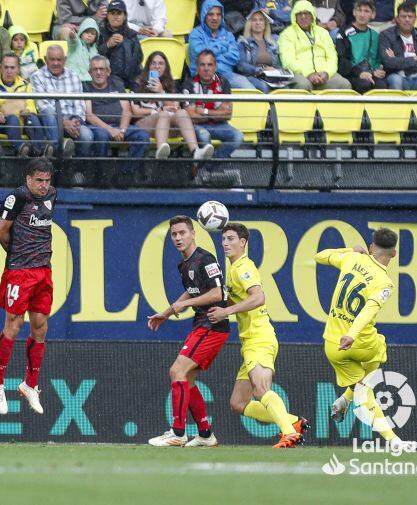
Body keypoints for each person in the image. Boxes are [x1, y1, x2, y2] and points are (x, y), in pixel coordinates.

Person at [316, 228, 417, 451]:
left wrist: (350, 249)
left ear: (371, 246)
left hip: (333, 344)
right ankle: (394, 441)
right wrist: (353, 335)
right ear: (394, 254)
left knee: (366, 381)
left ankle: (345, 398)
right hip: (360, 342)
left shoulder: (353, 257)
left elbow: (321, 256)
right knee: (377, 354)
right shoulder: (384, 282)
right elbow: (369, 309)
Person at [207, 223, 310, 448]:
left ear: (243, 242)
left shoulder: (244, 267)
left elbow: (258, 297)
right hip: (251, 341)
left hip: (259, 338)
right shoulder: (233, 269)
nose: (225, 243)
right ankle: (293, 422)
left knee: (262, 390)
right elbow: (243, 300)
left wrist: (225, 311)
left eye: (231, 238)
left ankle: (288, 433)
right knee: (238, 402)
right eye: (223, 239)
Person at [147, 215, 229, 447]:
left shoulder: (205, 259)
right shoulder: (184, 264)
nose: (178, 238)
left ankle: (178, 432)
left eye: (182, 233)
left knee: (177, 371)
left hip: (213, 325)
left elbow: (217, 294)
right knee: (188, 379)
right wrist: (167, 312)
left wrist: (185, 305)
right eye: (174, 234)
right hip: (202, 324)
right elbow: (192, 292)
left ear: (193, 233)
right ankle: (205, 435)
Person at [0, 159, 57, 416]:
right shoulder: (16, 198)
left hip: (44, 271)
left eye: (46, 180)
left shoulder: (52, 195)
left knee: (40, 327)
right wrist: (18, 253)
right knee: (13, 326)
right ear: (28, 179)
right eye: (38, 180)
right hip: (20, 271)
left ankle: (30, 384)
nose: (43, 185)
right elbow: (1, 231)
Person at [133, 51, 214, 161]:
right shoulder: (138, 83)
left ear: (165, 67)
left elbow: (174, 108)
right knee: (164, 114)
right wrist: (158, 110)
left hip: (168, 127)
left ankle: (195, 151)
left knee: (181, 113)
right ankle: (160, 149)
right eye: (153, 63)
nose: (157, 66)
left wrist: (161, 92)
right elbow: (135, 111)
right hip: (144, 125)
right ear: (148, 66)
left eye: (161, 64)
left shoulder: (172, 84)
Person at [31, 45, 92, 158]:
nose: (56, 63)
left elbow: (79, 104)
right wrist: (63, 122)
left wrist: (75, 120)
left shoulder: (73, 75)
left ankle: (77, 171)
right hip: (50, 122)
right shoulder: (37, 76)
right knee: (48, 111)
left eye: (59, 59)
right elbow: (42, 104)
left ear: (65, 60)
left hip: (72, 122)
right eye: (52, 59)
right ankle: (57, 150)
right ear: (45, 60)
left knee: (87, 135)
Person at [83, 55, 151, 158]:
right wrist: (110, 130)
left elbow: (127, 110)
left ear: (108, 71)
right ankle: (101, 172)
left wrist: (122, 130)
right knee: (101, 136)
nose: (98, 72)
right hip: (98, 127)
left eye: (101, 69)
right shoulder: (86, 87)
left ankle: (127, 172)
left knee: (143, 136)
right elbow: (89, 115)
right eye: (94, 69)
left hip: (120, 126)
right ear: (89, 73)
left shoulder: (116, 83)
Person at [182, 50, 243, 159]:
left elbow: (227, 115)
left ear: (215, 66)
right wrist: (217, 113)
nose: (206, 68)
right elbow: (191, 116)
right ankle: (204, 171)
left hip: (220, 126)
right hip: (197, 126)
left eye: (210, 65)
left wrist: (204, 111)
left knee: (238, 136)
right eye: (202, 65)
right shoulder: (188, 84)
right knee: (204, 136)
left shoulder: (223, 83)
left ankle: (207, 168)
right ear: (197, 66)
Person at [278, 0, 351, 90]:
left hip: (323, 74)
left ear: (312, 16)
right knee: (303, 85)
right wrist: (309, 73)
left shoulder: (323, 33)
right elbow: (288, 61)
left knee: (344, 84)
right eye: (299, 14)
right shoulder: (286, 34)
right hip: (299, 73)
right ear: (294, 16)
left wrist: (326, 73)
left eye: (307, 13)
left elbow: (332, 57)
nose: (303, 17)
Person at [0, 53, 47, 157]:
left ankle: (39, 151)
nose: (9, 71)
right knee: (12, 118)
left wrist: (28, 110)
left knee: (32, 117)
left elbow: (31, 103)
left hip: (23, 122)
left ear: (18, 69)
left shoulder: (25, 84)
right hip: (1, 122)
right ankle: (21, 148)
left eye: (12, 67)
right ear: (0, 67)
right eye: (6, 67)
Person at [188, 0, 254, 90]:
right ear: (204, 15)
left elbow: (234, 56)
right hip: (202, 76)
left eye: (218, 14)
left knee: (249, 88)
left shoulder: (228, 35)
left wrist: (213, 54)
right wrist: (222, 49)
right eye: (211, 14)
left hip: (227, 76)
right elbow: (203, 56)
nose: (215, 18)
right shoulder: (196, 34)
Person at [336, 0, 386, 93]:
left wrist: (377, 70)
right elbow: (341, 61)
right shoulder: (344, 32)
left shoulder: (375, 35)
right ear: (354, 12)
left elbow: (378, 60)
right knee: (364, 84)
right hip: (351, 74)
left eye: (366, 11)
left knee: (381, 86)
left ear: (373, 14)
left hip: (370, 74)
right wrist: (359, 73)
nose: (362, 15)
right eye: (359, 10)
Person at [236, 9, 285, 93]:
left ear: (265, 24)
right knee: (263, 86)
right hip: (252, 76)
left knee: (285, 88)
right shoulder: (243, 42)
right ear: (250, 24)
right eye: (254, 20)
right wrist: (260, 70)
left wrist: (276, 71)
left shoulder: (273, 42)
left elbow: (279, 64)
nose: (258, 23)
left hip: (271, 76)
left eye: (261, 20)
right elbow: (241, 65)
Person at [96, 0, 142, 89]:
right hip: (106, 77)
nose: (115, 16)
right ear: (107, 16)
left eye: (119, 13)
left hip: (130, 76)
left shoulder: (132, 35)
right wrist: (107, 45)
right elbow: (93, 56)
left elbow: (138, 58)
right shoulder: (100, 33)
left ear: (124, 16)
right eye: (112, 13)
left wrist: (124, 43)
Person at [66, 16, 99, 81]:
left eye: (92, 34)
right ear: (81, 33)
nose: (89, 35)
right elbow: (72, 43)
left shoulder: (95, 50)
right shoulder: (77, 44)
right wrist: (72, 36)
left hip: (88, 80)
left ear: (96, 37)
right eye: (87, 32)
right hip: (73, 78)